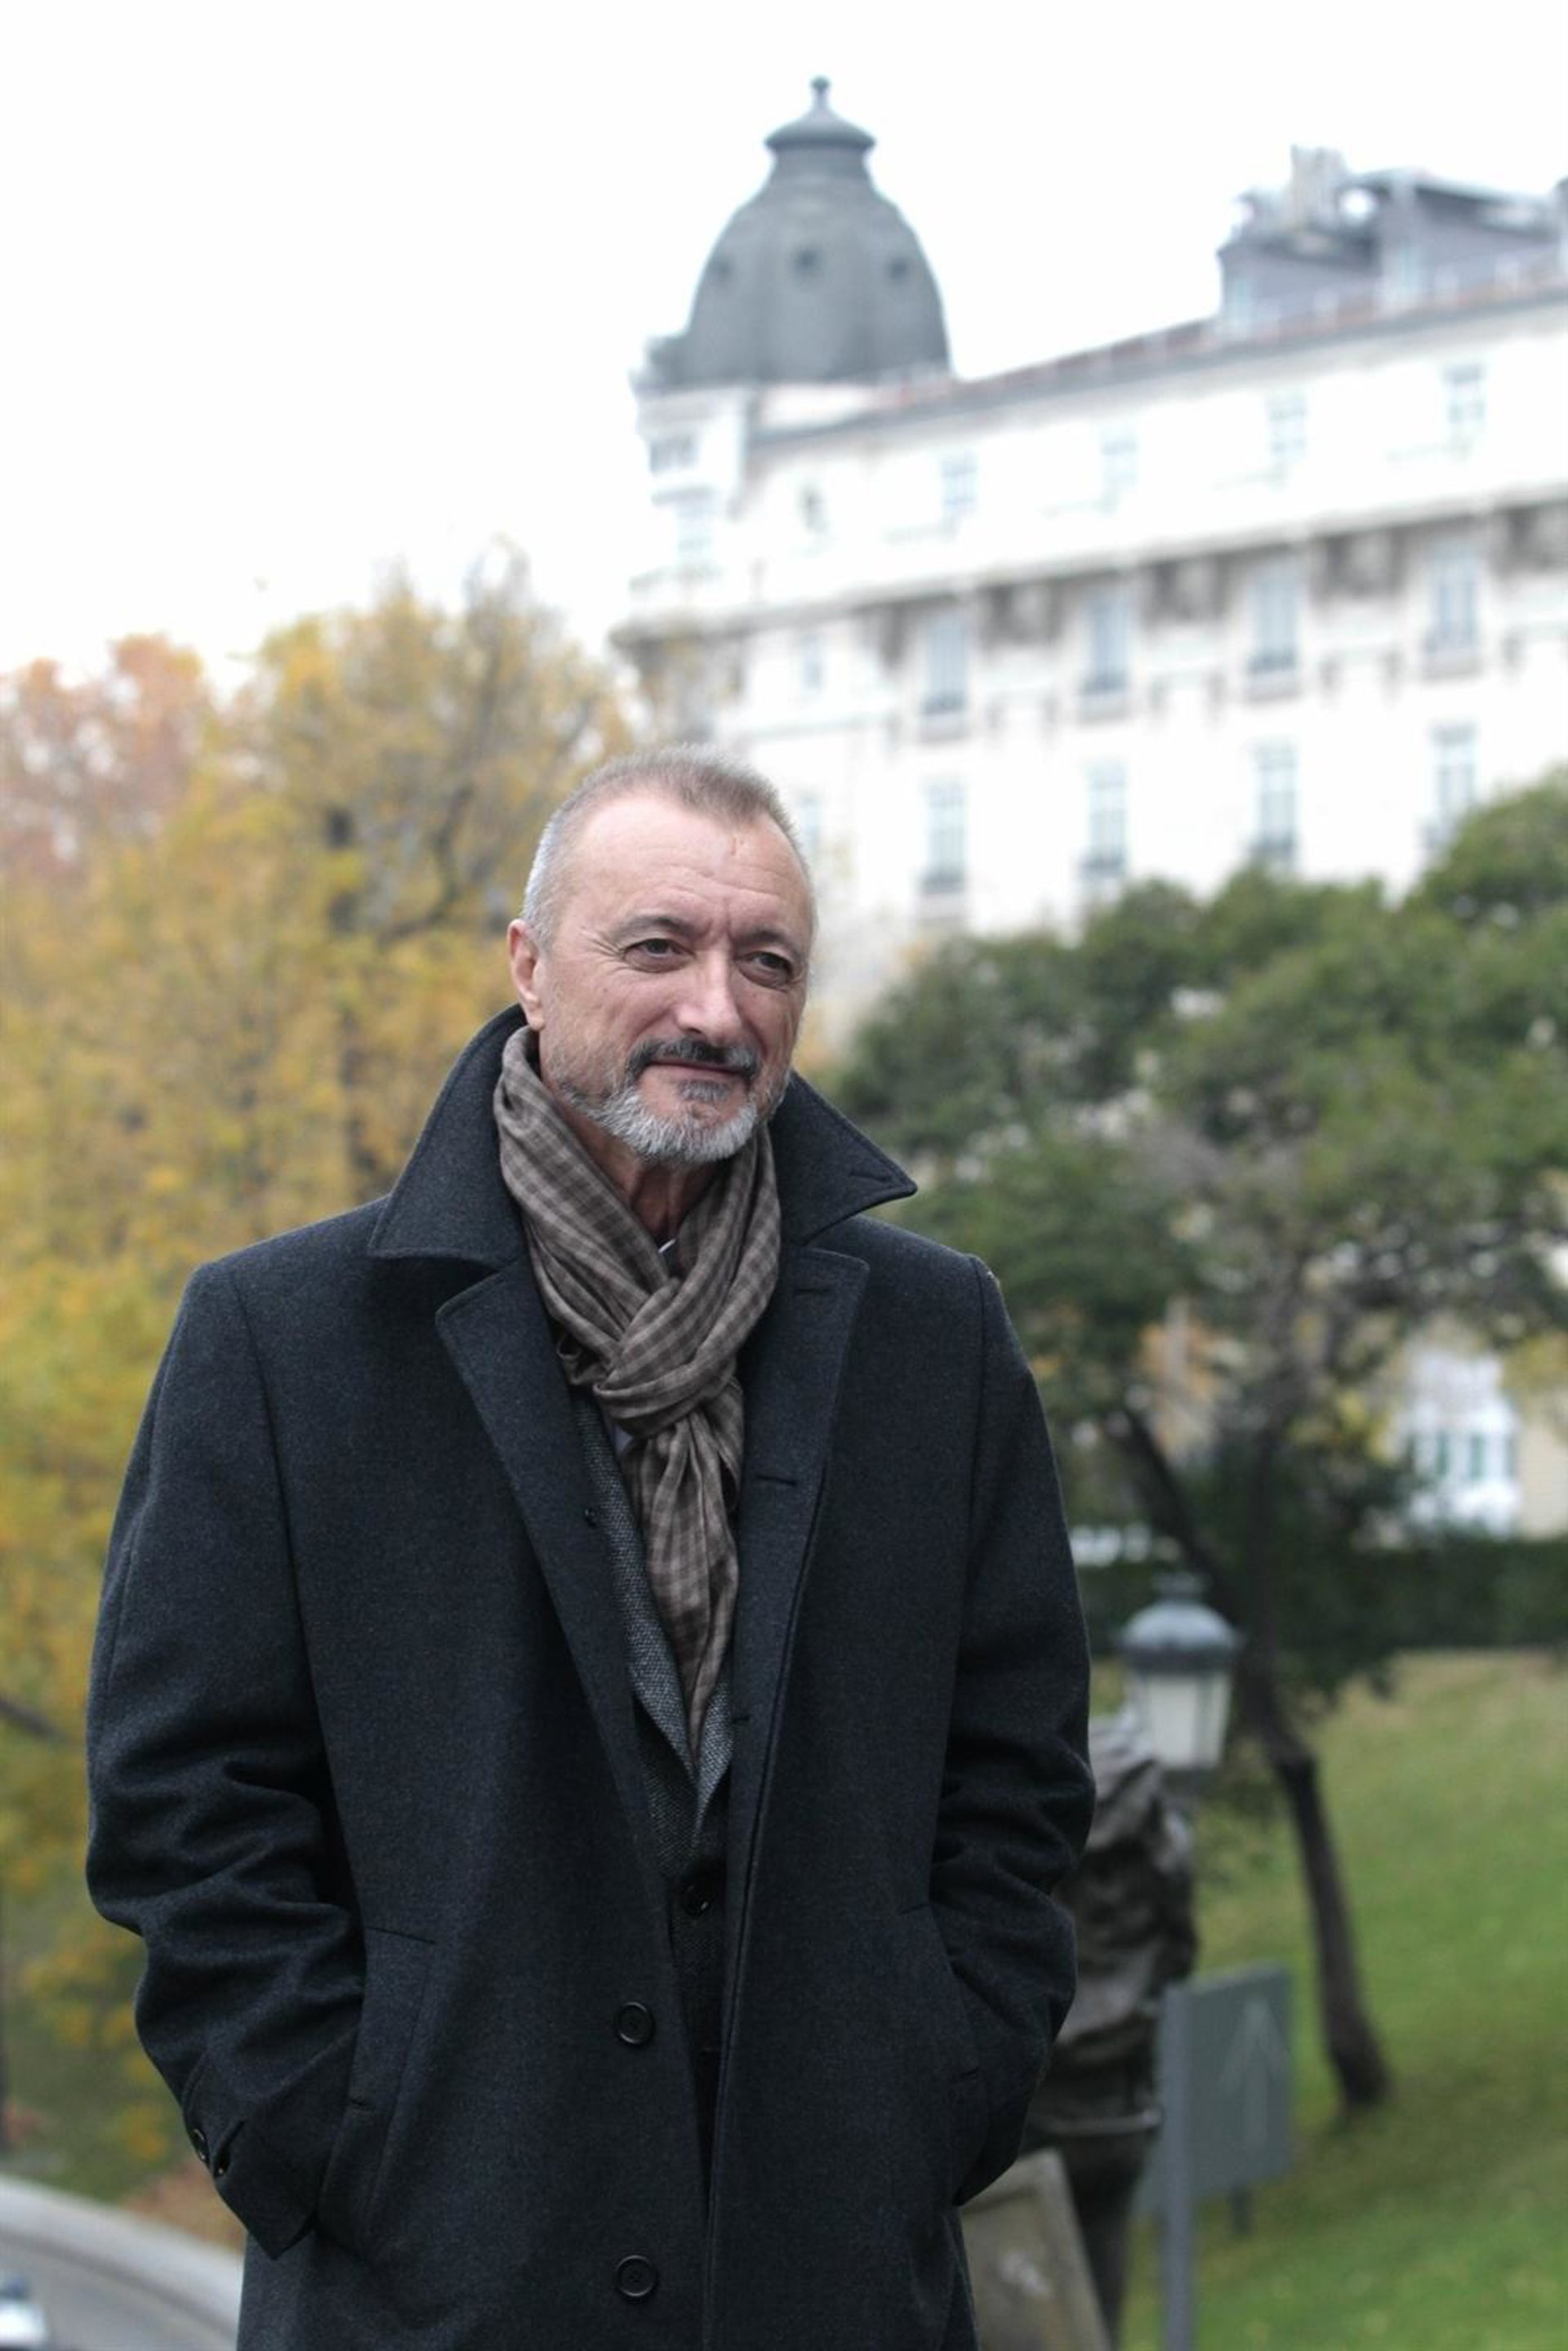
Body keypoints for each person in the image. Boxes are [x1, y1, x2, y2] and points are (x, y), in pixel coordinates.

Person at [86, 746, 1094, 2351]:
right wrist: (333, 2127)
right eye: (659, 946)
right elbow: (183, 1802)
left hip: (836, 2276)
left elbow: (1020, 1780)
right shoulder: (285, 1337)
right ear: (530, 966)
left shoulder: (936, 1339)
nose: (718, 1006)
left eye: (768, 961)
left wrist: (941, 2083)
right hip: (428, 2283)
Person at [1021, 1712, 1196, 2345]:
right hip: (1109, 2116)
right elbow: (1179, 1951)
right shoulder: (1157, 1845)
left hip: (1044, 2118)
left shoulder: (1033, 1826)